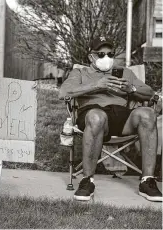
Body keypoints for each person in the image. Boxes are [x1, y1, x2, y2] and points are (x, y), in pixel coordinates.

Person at [59, 36, 162, 202]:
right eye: (101, 54)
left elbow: (150, 93)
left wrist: (132, 88)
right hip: (93, 115)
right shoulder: (80, 72)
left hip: (122, 117)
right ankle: (87, 181)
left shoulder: (125, 73)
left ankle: (147, 181)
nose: (106, 58)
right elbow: (63, 93)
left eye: (110, 54)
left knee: (147, 114)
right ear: (91, 57)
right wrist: (97, 85)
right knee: (97, 117)